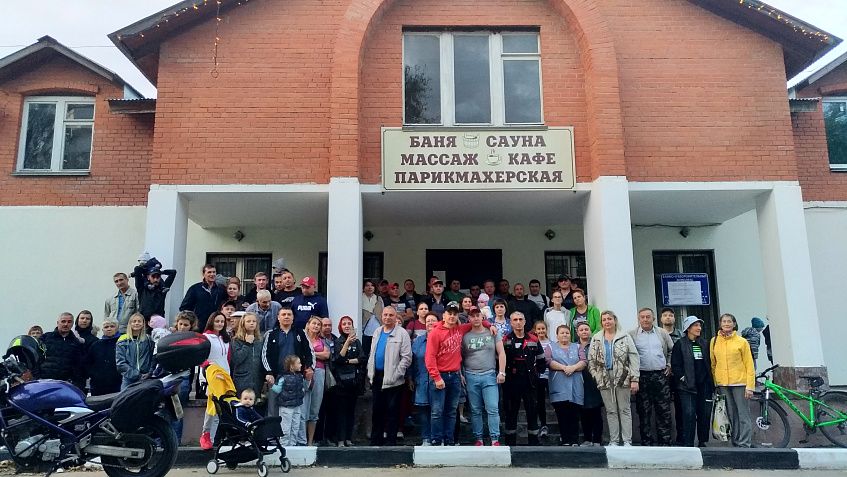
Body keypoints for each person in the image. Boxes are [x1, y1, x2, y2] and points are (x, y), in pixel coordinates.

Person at [425, 302, 490, 446]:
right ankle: (436, 441)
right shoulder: (435, 333)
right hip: (439, 376)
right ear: (444, 315)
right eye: (449, 314)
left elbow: (476, 322)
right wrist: (436, 377)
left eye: (455, 314)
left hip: (454, 376)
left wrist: (490, 325)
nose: (452, 316)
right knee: (437, 411)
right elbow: (429, 358)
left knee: (451, 411)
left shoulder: (460, 329)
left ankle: (449, 440)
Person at [588, 310, 639, 446]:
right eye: (604, 320)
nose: (607, 322)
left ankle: (627, 441)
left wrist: (634, 378)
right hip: (604, 378)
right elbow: (591, 360)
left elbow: (633, 357)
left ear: (615, 320)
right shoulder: (596, 338)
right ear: (601, 322)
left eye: (609, 319)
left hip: (622, 377)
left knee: (624, 409)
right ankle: (614, 440)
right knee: (610, 410)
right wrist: (596, 375)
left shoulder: (625, 336)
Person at [367, 305, 412, 445]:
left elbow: (407, 357)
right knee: (377, 410)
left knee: (392, 411)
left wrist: (397, 374)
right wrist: (370, 371)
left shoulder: (402, 333)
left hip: (394, 379)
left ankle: (391, 442)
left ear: (395, 317)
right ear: (381, 316)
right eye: (385, 315)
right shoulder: (377, 331)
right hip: (377, 377)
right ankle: (376, 440)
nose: (387, 317)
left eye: (391, 315)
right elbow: (372, 353)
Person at [628, 308, 674, 446]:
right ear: (638, 319)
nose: (645, 319)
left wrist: (669, 364)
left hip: (660, 375)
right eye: (642, 317)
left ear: (653, 318)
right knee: (643, 411)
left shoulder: (662, 333)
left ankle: (665, 442)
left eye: (648, 317)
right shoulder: (632, 335)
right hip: (642, 376)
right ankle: (646, 442)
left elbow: (672, 350)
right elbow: (628, 355)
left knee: (664, 410)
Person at [462, 306, 506, 446]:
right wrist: (461, 374)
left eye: (478, 315)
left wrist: (502, 372)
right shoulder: (465, 336)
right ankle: (479, 439)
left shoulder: (493, 332)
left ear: (482, 317)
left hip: (489, 374)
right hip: (470, 375)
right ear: (469, 319)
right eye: (472, 316)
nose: (476, 318)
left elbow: (501, 353)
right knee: (475, 410)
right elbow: (459, 357)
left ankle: (495, 439)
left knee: (492, 408)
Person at [710, 313, 755, 448]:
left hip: (740, 383)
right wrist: (716, 382)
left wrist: (750, 386)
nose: (726, 324)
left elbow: (749, 364)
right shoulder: (714, 341)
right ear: (720, 324)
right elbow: (713, 363)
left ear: (734, 324)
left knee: (743, 414)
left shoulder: (742, 341)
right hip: (723, 384)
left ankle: (744, 443)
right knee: (730, 414)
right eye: (724, 321)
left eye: (729, 321)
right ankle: (735, 442)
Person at [502, 311, 546, 446]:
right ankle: (510, 444)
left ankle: (534, 443)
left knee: (532, 412)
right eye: (515, 320)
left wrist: (536, 374)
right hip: (511, 382)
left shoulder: (533, 339)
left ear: (525, 321)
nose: (518, 322)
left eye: (521, 319)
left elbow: (541, 360)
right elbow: (499, 360)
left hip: (530, 381)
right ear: (511, 322)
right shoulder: (505, 340)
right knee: (511, 413)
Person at [262, 305, 314, 419]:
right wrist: (269, 372)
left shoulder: (300, 333)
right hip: (276, 377)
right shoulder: (271, 334)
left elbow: (309, 352)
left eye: (289, 314)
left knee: (296, 412)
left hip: (296, 378)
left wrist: (310, 368)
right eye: (283, 314)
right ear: (278, 317)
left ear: (293, 317)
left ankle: (292, 431)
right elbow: (265, 355)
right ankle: (273, 431)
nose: (286, 317)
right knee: (273, 410)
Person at [671, 316, 713, 447]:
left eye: (699, 325)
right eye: (695, 325)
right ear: (688, 328)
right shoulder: (680, 344)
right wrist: (683, 377)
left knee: (704, 414)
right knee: (688, 414)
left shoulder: (705, 343)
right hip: (687, 386)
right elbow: (676, 364)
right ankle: (688, 441)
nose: (699, 328)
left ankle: (702, 441)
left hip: (704, 385)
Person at [548, 325, 586, 446]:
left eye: (567, 333)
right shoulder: (550, 347)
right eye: (562, 333)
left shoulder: (578, 347)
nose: (565, 335)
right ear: (557, 335)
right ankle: (565, 440)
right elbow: (548, 361)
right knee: (562, 413)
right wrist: (564, 367)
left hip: (575, 383)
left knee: (574, 413)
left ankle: (574, 440)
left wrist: (573, 368)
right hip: (559, 384)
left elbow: (584, 361)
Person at [200, 311, 231, 450]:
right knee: (212, 406)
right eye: (217, 321)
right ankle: (206, 435)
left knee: (221, 408)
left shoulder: (226, 338)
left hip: (225, 376)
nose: (220, 324)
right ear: (211, 321)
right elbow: (201, 357)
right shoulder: (205, 337)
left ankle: (213, 438)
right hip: (211, 375)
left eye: (222, 321)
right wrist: (208, 368)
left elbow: (228, 358)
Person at [333, 316, 364, 447]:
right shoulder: (338, 341)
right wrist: (346, 343)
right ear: (340, 327)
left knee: (351, 411)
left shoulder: (357, 342)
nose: (347, 326)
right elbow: (338, 359)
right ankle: (340, 439)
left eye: (349, 323)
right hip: (341, 382)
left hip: (354, 381)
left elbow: (362, 358)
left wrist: (348, 361)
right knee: (341, 412)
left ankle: (348, 438)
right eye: (344, 324)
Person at [409, 313, 438, 446]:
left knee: (437, 411)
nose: (430, 323)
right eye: (428, 321)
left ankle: (437, 437)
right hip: (421, 380)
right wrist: (410, 378)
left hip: (438, 381)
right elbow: (412, 360)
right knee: (423, 411)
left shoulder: (442, 338)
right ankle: (426, 438)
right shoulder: (419, 341)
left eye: (433, 320)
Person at [301, 316, 329, 446]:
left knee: (315, 408)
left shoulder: (322, 341)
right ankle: (301, 440)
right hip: (304, 372)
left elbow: (326, 355)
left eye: (318, 324)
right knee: (303, 407)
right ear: (308, 324)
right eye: (314, 323)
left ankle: (310, 442)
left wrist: (310, 353)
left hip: (319, 372)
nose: (316, 326)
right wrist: (317, 354)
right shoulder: (301, 338)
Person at [575, 321, 603, 446]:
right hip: (580, 380)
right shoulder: (574, 346)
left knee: (596, 411)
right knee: (583, 411)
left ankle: (597, 440)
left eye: (586, 329)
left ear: (590, 331)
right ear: (577, 332)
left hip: (595, 380)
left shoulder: (597, 344)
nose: (584, 332)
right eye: (581, 330)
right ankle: (587, 439)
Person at [658, 307, 684, 444]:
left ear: (674, 318)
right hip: (662, 375)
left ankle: (681, 437)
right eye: (665, 315)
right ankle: (664, 438)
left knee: (680, 407)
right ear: (661, 318)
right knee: (663, 407)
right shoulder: (657, 334)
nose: (668, 317)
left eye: (670, 315)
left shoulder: (681, 335)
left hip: (679, 376)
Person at [40, 312, 84, 389]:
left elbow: (78, 366)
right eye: (63, 321)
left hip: (65, 385)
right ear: (58, 323)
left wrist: (76, 384)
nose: (66, 324)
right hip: (44, 382)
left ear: (72, 324)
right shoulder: (45, 338)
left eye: (69, 322)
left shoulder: (76, 343)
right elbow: (36, 358)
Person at [230, 312, 266, 407]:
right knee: (242, 405)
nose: (251, 323)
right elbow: (237, 359)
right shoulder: (236, 340)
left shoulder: (260, 340)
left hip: (257, 379)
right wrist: (247, 344)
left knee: (255, 405)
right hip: (242, 378)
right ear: (243, 323)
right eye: (248, 321)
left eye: (254, 321)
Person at [179, 264, 226, 332]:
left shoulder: (221, 289)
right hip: (198, 327)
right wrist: (192, 321)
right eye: (209, 272)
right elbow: (184, 308)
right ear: (203, 274)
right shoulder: (195, 289)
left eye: (214, 272)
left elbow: (225, 304)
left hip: (215, 326)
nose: (212, 274)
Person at [273, 355, 306, 447]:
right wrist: (271, 385)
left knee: (295, 428)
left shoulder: (300, 377)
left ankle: (293, 446)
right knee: (285, 428)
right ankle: (284, 447)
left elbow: (303, 389)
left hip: (297, 406)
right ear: (291, 366)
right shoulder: (283, 377)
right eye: (299, 363)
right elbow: (277, 390)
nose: (301, 365)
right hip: (286, 407)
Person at [83, 318, 122, 396]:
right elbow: (88, 363)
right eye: (106, 327)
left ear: (117, 328)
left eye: (112, 326)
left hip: (118, 384)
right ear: (102, 330)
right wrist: (94, 374)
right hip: (98, 385)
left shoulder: (122, 343)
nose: (109, 329)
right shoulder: (96, 345)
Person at [116, 313, 153, 390]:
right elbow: (120, 363)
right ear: (130, 324)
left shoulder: (148, 339)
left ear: (143, 324)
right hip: (128, 379)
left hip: (145, 378)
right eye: (134, 321)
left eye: (139, 321)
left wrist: (150, 372)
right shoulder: (123, 340)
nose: (136, 323)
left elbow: (152, 357)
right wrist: (137, 375)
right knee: (125, 397)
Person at [533, 321, 552, 439]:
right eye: (539, 329)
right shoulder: (534, 343)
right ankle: (543, 425)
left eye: (543, 328)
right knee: (540, 402)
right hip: (538, 377)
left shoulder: (551, 344)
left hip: (550, 376)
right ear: (535, 330)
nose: (541, 331)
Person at [361, 279, 385, 357]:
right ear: (363, 287)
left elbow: (383, 313)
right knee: (365, 353)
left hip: (377, 328)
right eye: (367, 285)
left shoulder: (379, 298)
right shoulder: (359, 298)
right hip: (364, 330)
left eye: (372, 285)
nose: (370, 287)